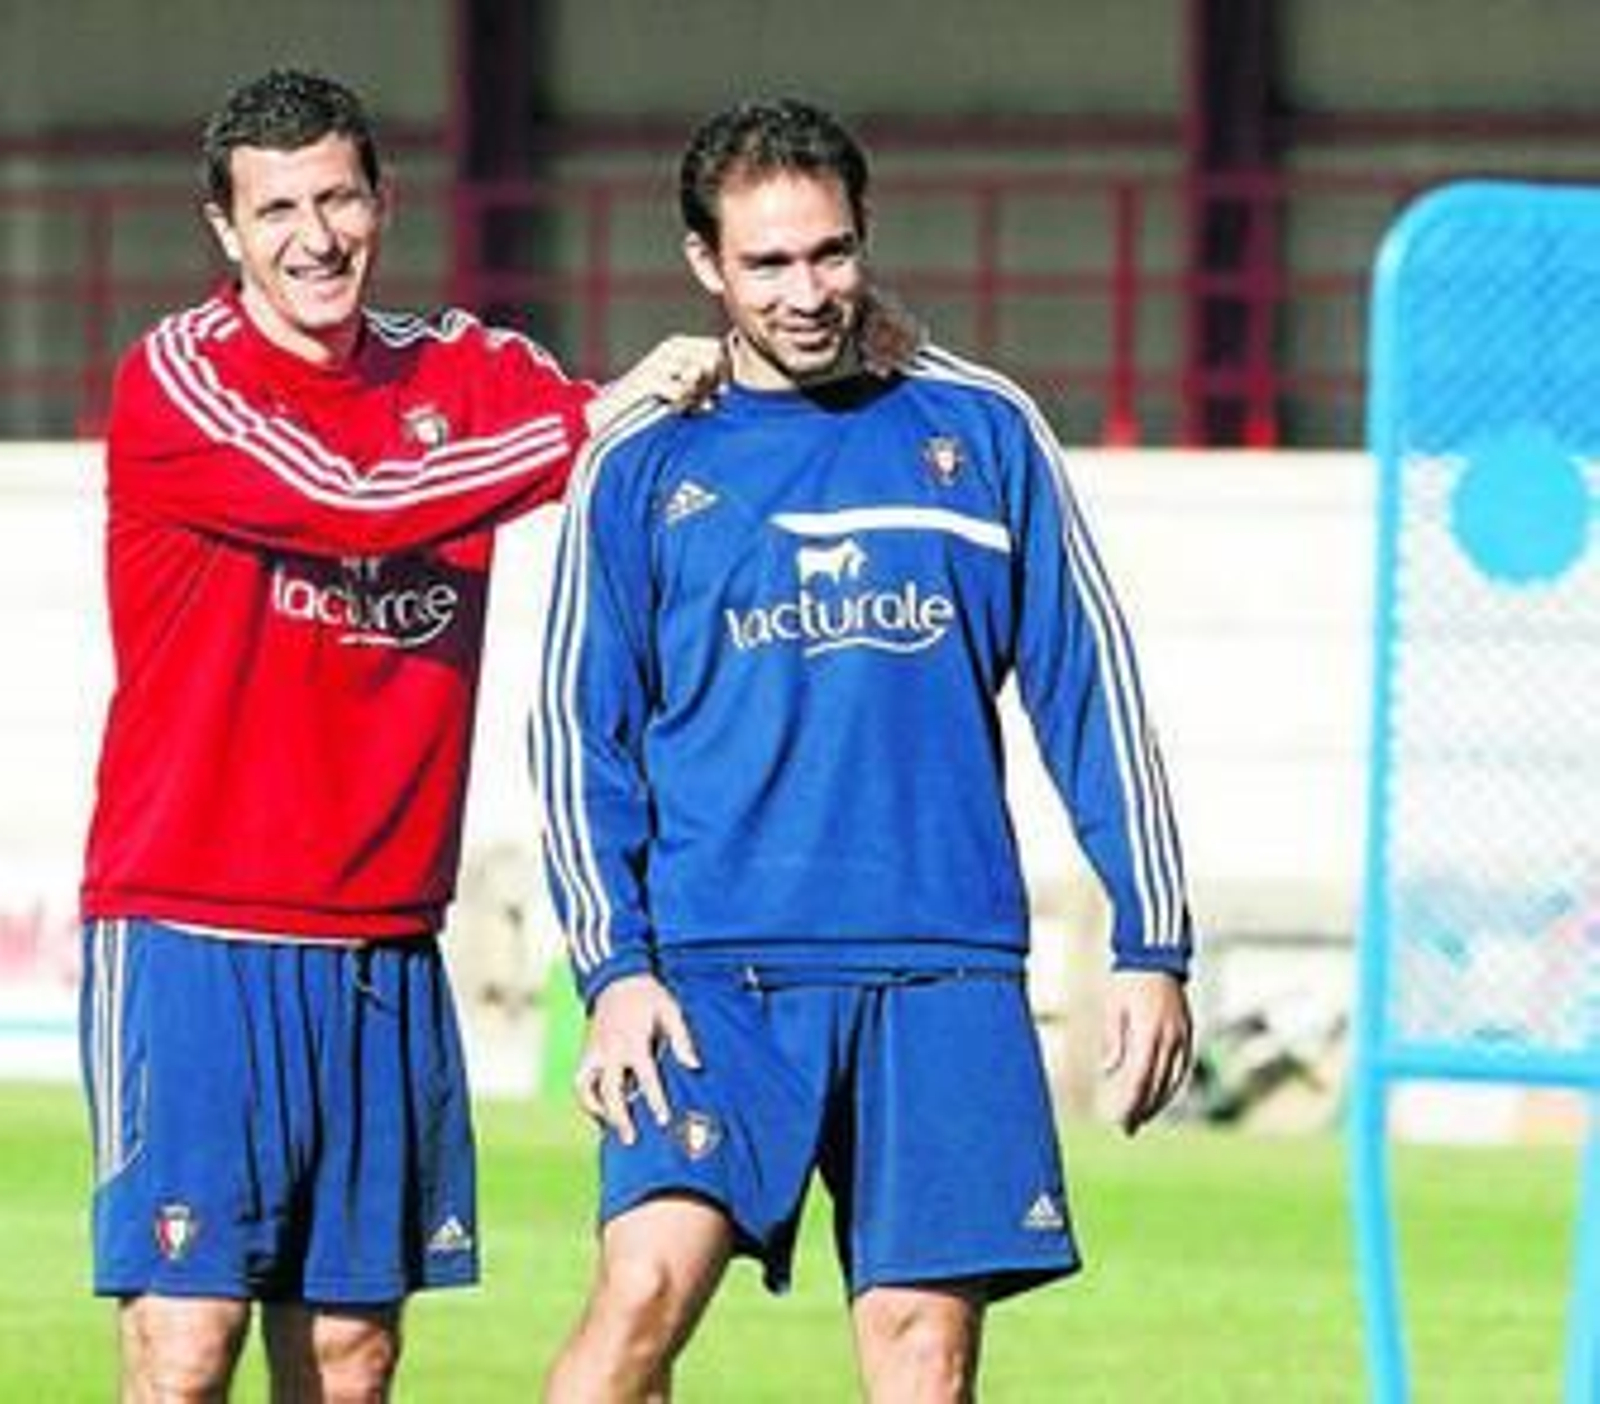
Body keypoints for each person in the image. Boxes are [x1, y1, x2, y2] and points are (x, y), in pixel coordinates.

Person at [76, 67, 726, 1402]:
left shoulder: (474, 371)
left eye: (337, 197)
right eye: (276, 211)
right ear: (224, 231)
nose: (313, 236)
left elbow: (612, 468)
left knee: (357, 1361)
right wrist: (600, 417)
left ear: (382, 201)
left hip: (381, 943)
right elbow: (364, 501)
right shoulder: (178, 379)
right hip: (198, 927)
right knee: (183, 1346)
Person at [534, 97, 1196, 1402]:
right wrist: (614, 968)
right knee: (639, 1301)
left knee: (922, 1357)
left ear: (867, 236)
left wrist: (1152, 940)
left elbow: (1091, 690)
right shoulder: (642, 461)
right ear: (704, 266)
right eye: (768, 262)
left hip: (940, 963)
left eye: (831, 253)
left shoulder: (983, 431)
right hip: (714, 972)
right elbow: (577, 735)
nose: (807, 290)